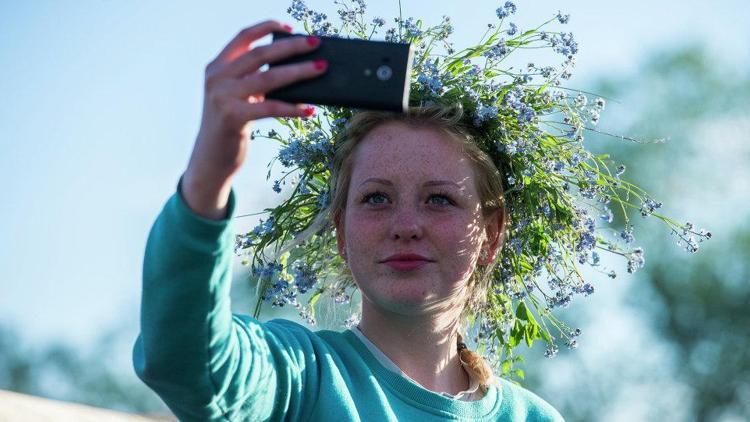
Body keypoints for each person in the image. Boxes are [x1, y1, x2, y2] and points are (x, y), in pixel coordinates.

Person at [133, 20, 564, 421]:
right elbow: (186, 361)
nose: (406, 224)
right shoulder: (301, 378)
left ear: (491, 232)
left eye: (439, 199)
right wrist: (211, 175)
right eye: (377, 198)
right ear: (341, 230)